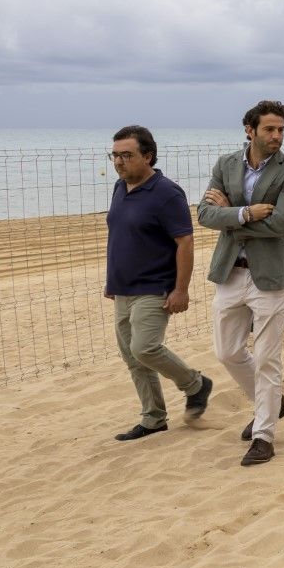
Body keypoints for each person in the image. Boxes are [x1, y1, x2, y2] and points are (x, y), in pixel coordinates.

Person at [198, 100, 284, 466]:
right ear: (250, 130)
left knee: (267, 359)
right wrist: (245, 212)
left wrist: (230, 215)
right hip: (230, 271)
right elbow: (204, 214)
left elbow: (283, 224)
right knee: (226, 352)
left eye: (281, 130)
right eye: (269, 129)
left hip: (270, 277)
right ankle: (275, 404)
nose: (277, 136)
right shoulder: (225, 164)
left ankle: (264, 436)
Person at [105, 125, 214, 441]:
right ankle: (153, 418)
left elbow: (185, 242)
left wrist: (181, 289)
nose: (119, 161)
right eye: (115, 155)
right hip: (122, 287)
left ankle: (195, 384)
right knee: (132, 357)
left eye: (127, 155)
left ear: (147, 156)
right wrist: (111, 280)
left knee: (145, 347)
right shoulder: (119, 187)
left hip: (155, 287)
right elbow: (119, 235)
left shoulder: (167, 192)